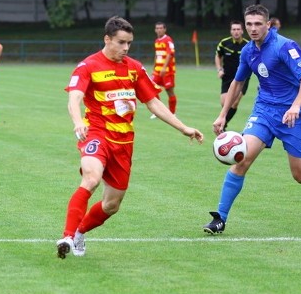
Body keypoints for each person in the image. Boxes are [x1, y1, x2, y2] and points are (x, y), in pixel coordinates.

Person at [56, 16, 204, 259]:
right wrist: (77, 122)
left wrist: (183, 127)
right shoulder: (88, 66)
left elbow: (153, 102)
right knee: (91, 178)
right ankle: (67, 236)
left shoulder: (134, 68)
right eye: (121, 42)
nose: (126, 48)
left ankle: (81, 232)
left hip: (124, 143)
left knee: (111, 205)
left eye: (129, 43)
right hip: (97, 134)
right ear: (107, 39)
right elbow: (74, 97)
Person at [203, 4, 301, 235]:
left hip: (291, 116)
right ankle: (220, 218)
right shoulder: (248, 51)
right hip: (264, 112)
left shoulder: (284, 46)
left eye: (258, 24)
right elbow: (237, 83)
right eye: (249, 24)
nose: (253, 28)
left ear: (268, 24)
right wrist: (222, 115)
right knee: (242, 159)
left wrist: (296, 106)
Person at [215, 21, 250, 129]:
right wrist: (219, 69)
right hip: (227, 76)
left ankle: (222, 124)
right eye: (234, 29)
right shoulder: (224, 43)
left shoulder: (248, 45)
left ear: (242, 31)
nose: (236, 32)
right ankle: (223, 122)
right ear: (231, 31)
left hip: (242, 77)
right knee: (224, 103)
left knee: (234, 103)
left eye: (238, 29)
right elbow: (218, 56)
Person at [149, 21, 177, 118]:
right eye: (157, 28)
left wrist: (164, 67)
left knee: (169, 91)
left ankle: (172, 113)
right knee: (151, 88)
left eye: (161, 28)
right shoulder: (157, 41)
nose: (159, 30)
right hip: (157, 70)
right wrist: (154, 68)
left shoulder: (168, 40)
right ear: (155, 30)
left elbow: (170, 54)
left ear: (165, 29)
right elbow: (157, 55)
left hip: (167, 71)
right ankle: (159, 111)